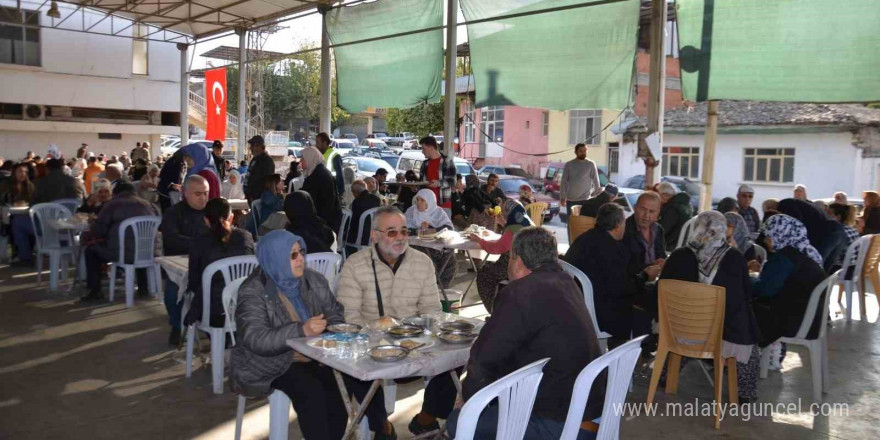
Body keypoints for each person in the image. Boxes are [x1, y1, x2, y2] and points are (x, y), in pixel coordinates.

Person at [448, 227, 605, 440]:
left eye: (509, 257)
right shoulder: (568, 282)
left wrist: (469, 398)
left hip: (561, 425)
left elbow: (483, 360)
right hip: (592, 416)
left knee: (459, 420)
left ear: (518, 261)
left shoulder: (519, 292)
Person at [228, 230, 351, 440]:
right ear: (275, 258)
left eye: (301, 252)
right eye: (292, 255)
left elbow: (335, 314)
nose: (301, 259)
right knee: (311, 392)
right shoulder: (253, 291)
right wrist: (301, 330)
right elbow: (255, 338)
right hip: (269, 362)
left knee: (341, 388)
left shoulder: (313, 279)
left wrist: (332, 333)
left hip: (315, 354)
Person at [659, 211, 761, 403]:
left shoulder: (679, 255)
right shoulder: (734, 258)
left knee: (691, 320)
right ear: (722, 230)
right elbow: (746, 295)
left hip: (680, 330)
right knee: (747, 331)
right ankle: (745, 393)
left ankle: (665, 376)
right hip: (722, 335)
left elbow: (661, 289)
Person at [752, 214, 826, 349]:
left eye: (769, 236)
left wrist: (748, 279)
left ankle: (740, 359)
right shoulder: (809, 251)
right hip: (813, 320)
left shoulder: (784, 257)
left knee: (742, 308)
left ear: (779, 234)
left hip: (792, 322)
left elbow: (764, 290)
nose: (767, 241)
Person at [563, 202, 630, 346]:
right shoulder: (613, 249)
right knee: (638, 310)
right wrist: (645, 277)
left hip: (575, 304)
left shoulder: (583, 238)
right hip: (599, 314)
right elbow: (621, 287)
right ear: (618, 224)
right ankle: (623, 353)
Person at [81, 183, 160, 302]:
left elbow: (99, 231)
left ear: (115, 193)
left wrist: (93, 224)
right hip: (148, 252)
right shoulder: (149, 205)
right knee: (137, 244)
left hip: (121, 253)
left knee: (91, 251)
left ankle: (95, 291)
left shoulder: (111, 205)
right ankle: (143, 288)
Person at [184, 198, 254, 327]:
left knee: (186, 298)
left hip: (214, 310)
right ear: (231, 217)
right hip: (247, 307)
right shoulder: (246, 238)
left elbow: (194, 282)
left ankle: (219, 341)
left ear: (206, 220)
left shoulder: (199, 242)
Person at [161, 175, 211, 345]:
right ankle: (176, 325)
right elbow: (171, 239)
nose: (203, 198)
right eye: (198, 194)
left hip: (207, 263)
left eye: (206, 193)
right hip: (179, 264)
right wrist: (200, 245)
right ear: (185, 193)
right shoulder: (173, 213)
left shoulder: (211, 211)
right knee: (172, 294)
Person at [470, 198, 534, 312]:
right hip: (533, 267)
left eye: (504, 212)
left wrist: (479, 240)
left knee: (484, 274)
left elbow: (496, 249)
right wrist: (504, 224)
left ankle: (495, 312)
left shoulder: (512, 230)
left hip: (516, 267)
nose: (502, 214)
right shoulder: (529, 224)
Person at [623, 192, 666, 337]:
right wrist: (648, 270)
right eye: (643, 209)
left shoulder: (658, 230)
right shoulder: (624, 229)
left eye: (651, 211)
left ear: (658, 213)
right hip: (633, 283)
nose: (646, 215)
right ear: (635, 208)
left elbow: (661, 255)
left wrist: (661, 262)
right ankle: (648, 340)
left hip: (653, 282)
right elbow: (624, 265)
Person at [778, 197, 847, 271]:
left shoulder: (784, 206)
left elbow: (795, 226)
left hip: (827, 233)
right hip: (835, 231)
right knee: (823, 271)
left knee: (815, 266)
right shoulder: (800, 205)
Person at [406, 189, 457, 289]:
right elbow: (403, 229)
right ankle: (428, 289)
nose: (418, 203)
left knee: (450, 260)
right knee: (427, 262)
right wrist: (417, 231)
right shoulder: (411, 211)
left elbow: (449, 228)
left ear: (430, 201)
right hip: (418, 246)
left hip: (437, 247)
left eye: (422, 200)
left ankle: (442, 290)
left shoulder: (438, 212)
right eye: (417, 200)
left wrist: (433, 230)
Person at [300, 146, 342, 231]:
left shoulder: (318, 176)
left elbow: (310, 200)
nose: (300, 161)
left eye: (303, 158)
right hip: (325, 219)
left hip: (325, 224)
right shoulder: (318, 171)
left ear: (310, 158)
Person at [560, 143, 602, 226]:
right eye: (580, 151)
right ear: (575, 152)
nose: (583, 153)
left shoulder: (590, 164)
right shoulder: (569, 164)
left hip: (585, 200)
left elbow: (596, 181)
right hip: (571, 200)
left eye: (585, 151)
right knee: (572, 224)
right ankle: (571, 239)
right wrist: (562, 197)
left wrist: (597, 196)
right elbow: (563, 181)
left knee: (584, 224)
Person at [6, 163, 36, 264]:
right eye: (20, 171)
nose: (23, 174)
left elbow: (33, 201)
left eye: (25, 172)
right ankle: (21, 253)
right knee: (14, 222)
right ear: (14, 173)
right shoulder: (7, 184)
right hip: (7, 214)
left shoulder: (30, 185)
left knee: (18, 222)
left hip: (26, 214)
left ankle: (24, 255)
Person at [419, 136, 456, 209]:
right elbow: (421, 183)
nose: (422, 151)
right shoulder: (425, 164)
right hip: (426, 205)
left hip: (443, 204)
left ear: (431, 147)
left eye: (423, 148)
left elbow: (452, 181)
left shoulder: (447, 161)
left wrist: (438, 183)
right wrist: (415, 187)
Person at [657, 181, 694, 249]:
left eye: (659, 194)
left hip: (671, 244)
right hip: (681, 241)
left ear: (665, 195)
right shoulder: (686, 205)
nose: (658, 197)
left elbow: (662, 230)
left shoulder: (672, 209)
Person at [347, 179, 381, 246]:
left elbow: (353, 221)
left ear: (356, 192)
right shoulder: (376, 199)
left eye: (353, 192)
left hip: (360, 237)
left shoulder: (357, 202)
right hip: (373, 236)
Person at [828, 202, 859, 272]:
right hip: (854, 268)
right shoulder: (853, 230)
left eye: (829, 213)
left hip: (840, 270)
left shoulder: (836, 232)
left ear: (838, 217)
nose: (825, 215)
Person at [245, 135, 275, 203]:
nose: (251, 148)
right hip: (252, 196)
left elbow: (267, 181)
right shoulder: (255, 159)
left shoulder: (267, 160)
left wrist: (255, 195)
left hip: (259, 197)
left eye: (253, 146)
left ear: (259, 146)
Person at [315, 132, 345, 197]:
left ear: (325, 142)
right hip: (321, 190)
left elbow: (340, 174)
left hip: (332, 191)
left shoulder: (334, 155)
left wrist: (340, 192)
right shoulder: (319, 154)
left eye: (318, 142)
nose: (316, 145)